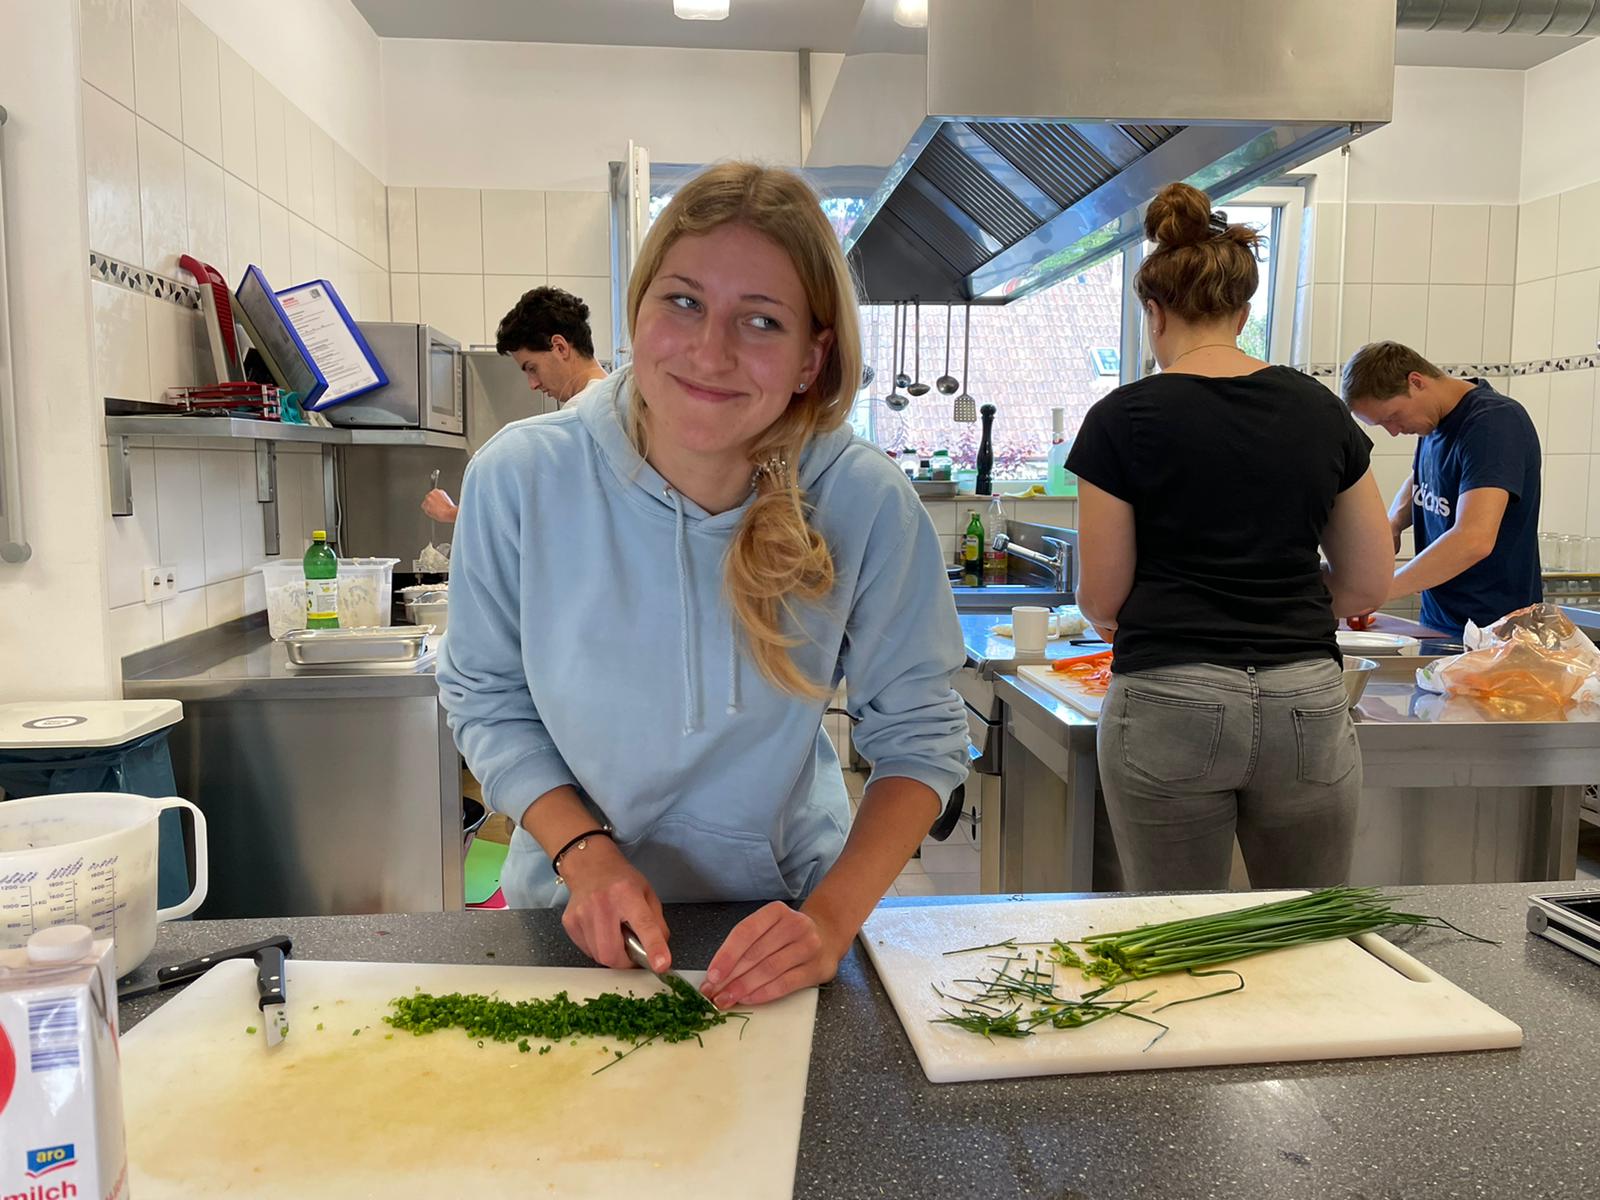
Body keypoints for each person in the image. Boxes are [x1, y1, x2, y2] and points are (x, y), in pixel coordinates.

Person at [436, 162, 969, 1009]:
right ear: (637, 310)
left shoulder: (862, 499)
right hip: (570, 911)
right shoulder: (520, 478)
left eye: (761, 320)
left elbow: (920, 737)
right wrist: (585, 854)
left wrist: (830, 922)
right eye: (683, 301)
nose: (710, 352)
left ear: (811, 357)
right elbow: (486, 697)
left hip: (782, 920)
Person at [1067, 182, 1394, 892]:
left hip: (1168, 698)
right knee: (1305, 925)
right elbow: (1370, 580)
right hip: (1305, 697)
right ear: (1244, 313)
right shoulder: (1320, 410)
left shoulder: (1122, 418)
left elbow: (1102, 595)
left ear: (1154, 313)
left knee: (1178, 929)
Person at [1341, 342, 1542, 639]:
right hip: (1440, 622)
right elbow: (1422, 478)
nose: (1393, 431)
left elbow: (1473, 539)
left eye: (1392, 417)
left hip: (1495, 634)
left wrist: (1378, 591)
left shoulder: (1493, 423)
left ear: (1416, 382)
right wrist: (1393, 524)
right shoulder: (1434, 420)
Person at [420, 286, 608, 523]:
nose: (533, 384)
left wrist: (450, 513)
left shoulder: (579, 418)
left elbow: (538, 517)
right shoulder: (610, 400)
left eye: (532, 368)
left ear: (560, 347)